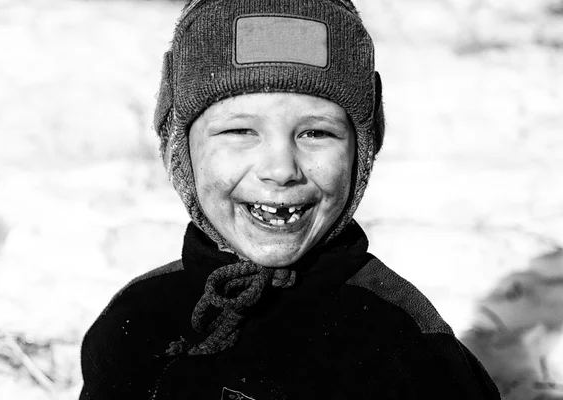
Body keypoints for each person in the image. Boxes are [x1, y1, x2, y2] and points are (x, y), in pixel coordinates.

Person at [79, 0, 501, 398]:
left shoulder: (405, 348)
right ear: (180, 148)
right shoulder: (135, 319)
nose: (281, 169)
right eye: (240, 131)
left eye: (316, 132)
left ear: (362, 151)